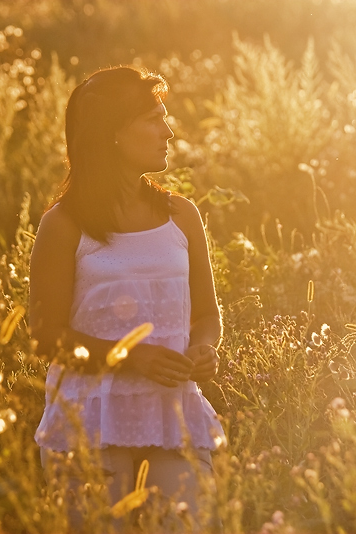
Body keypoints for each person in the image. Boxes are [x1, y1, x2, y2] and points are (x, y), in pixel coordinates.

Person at [30, 65, 224, 529]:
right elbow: (45, 337)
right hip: (89, 422)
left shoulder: (182, 215)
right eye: (154, 119)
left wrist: (204, 347)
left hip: (171, 414)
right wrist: (130, 357)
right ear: (113, 133)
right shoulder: (63, 225)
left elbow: (208, 314)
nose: (169, 132)